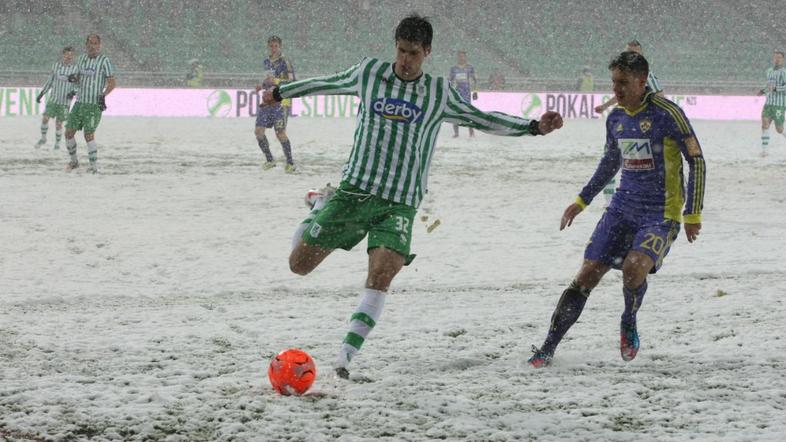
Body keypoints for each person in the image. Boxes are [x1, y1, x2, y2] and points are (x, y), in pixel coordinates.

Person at [260, 15, 563, 379]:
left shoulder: (438, 92)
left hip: (399, 204)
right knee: (299, 265)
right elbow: (327, 83)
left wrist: (532, 127)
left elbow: (480, 118)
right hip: (354, 192)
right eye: (401, 51)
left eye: (414, 53)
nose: (405, 60)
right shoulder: (370, 73)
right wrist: (281, 92)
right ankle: (320, 205)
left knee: (383, 272)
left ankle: (344, 357)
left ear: (428, 52)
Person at [528, 51, 706, 368]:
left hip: (659, 214)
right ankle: (547, 348)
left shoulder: (668, 114)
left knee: (633, 268)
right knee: (586, 276)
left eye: (623, 83)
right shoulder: (616, 118)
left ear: (642, 81)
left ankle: (628, 319)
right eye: (613, 82)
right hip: (622, 209)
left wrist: (692, 214)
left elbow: (697, 160)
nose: (616, 90)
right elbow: (610, 162)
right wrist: (582, 200)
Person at [64, 34, 115, 173]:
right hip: (80, 103)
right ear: (86, 45)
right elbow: (79, 78)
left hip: (93, 105)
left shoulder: (104, 61)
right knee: (68, 133)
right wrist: (74, 80)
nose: (92, 46)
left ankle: (93, 167)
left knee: (89, 135)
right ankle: (74, 162)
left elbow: (112, 82)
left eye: (95, 43)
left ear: (99, 45)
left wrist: (103, 95)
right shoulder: (81, 59)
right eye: (90, 43)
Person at [254, 35, 296, 173]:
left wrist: (276, 81)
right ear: (268, 46)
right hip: (267, 101)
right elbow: (268, 81)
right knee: (259, 132)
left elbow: (292, 81)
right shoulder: (266, 61)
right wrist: (262, 85)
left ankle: (290, 163)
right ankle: (270, 160)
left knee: (280, 133)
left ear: (280, 47)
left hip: (281, 101)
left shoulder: (285, 61)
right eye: (271, 46)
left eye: (276, 46)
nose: (273, 48)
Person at [594, 40, 663, 114]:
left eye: (634, 54)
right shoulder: (624, 73)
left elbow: (660, 96)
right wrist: (605, 106)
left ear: (641, 55)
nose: (630, 56)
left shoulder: (646, 75)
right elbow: (623, 93)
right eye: (627, 53)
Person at [35, 46, 78, 150]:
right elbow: (50, 81)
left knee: (59, 123)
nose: (69, 57)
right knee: (45, 118)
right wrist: (42, 93)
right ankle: (43, 138)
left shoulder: (76, 69)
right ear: (63, 55)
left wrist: (73, 92)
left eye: (71, 55)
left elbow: (78, 84)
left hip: (65, 102)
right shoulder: (56, 66)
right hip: (54, 99)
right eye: (67, 55)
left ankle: (57, 144)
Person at [757, 50, 786, 156]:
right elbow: (769, 85)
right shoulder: (769, 71)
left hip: (779, 104)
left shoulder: (784, 72)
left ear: (782, 60)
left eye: (779, 57)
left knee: (779, 129)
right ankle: (765, 151)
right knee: (764, 124)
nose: (777, 59)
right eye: (775, 57)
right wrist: (763, 91)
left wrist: (776, 89)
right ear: (773, 59)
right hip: (769, 103)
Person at [448, 50, 478, 137]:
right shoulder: (453, 68)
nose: (461, 57)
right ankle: (456, 133)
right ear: (457, 57)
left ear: (465, 57)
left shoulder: (470, 67)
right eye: (459, 56)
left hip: (467, 93)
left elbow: (475, 80)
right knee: (456, 112)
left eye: (463, 56)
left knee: (469, 112)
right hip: (457, 93)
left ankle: (471, 132)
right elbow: (450, 80)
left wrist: (475, 91)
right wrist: (449, 91)